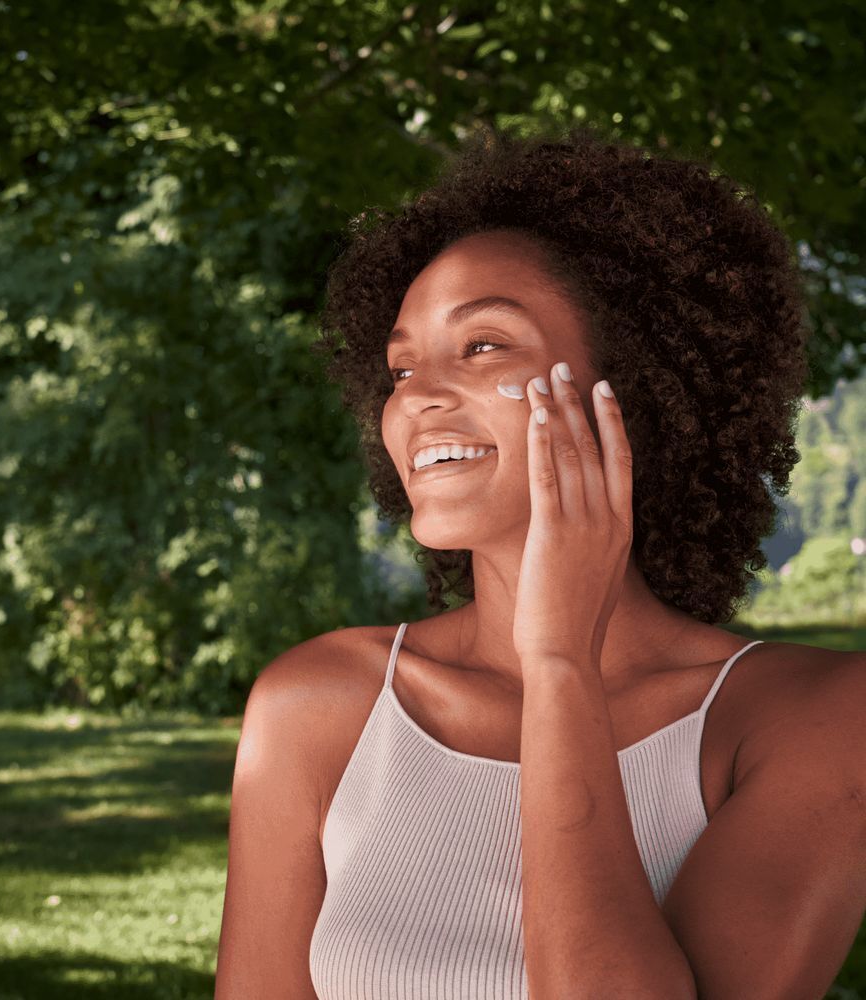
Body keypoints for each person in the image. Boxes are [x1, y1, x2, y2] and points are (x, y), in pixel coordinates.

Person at [214, 123, 866, 999]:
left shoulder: (818, 718)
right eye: (401, 368)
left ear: (630, 391)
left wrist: (559, 662)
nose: (418, 401)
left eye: (485, 345)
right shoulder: (316, 705)